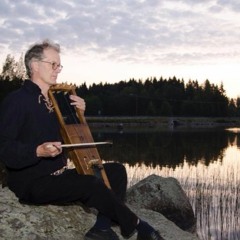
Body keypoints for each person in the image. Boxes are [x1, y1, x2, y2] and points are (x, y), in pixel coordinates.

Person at [0, 39, 164, 240]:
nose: (57, 69)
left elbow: (67, 137)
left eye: (59, 65)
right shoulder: (17, 101)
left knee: (116, 172)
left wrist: (78, 114)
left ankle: (102, 228)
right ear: (35, 65)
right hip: (31, 183)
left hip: (57, 175)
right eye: (53, 64)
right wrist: (37, 151)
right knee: (90, 184)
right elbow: (5, 149)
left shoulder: (55, 102)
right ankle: (138, 225)